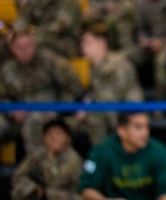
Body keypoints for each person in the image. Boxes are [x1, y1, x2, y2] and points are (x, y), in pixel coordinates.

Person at [0, 25, 83, 154]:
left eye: (28, 45)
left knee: (34, 123)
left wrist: (59, 107)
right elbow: (2, 96)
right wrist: (12, 110)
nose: (24, 50)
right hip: (17, 117)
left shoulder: (51, 62)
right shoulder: (7, 70)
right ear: (12, 48)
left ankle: (37, 167)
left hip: (49, 111)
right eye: (19, 47)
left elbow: (73, 86)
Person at [78, 112, 166, 200]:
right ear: (121, 131)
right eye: (138, 127)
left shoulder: (158, 150)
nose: (145, 132)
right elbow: (86, 189)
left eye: (147, 126)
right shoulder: (101, 151)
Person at [77, 25, 145, 146]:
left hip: (126, 110)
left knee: (94, 117)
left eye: (88, 43)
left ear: (101, 43)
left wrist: (88, 108)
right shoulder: (94, 67)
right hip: (108, 111)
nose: (83, 47)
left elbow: (114, 96)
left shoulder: (117, 64)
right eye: (83, 43)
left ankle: (103, 156)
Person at [11, 117, 83, 200]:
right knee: (18, 191)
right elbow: (19, 176)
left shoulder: (74, 160)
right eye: (50, 134)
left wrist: (48, 193)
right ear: (44, 138)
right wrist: (33, 187)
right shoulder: (37, 155)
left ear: (67, 138)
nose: (54, 138)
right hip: (40, 196)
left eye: (58, 134)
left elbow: (78, 188)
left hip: (64, 196)